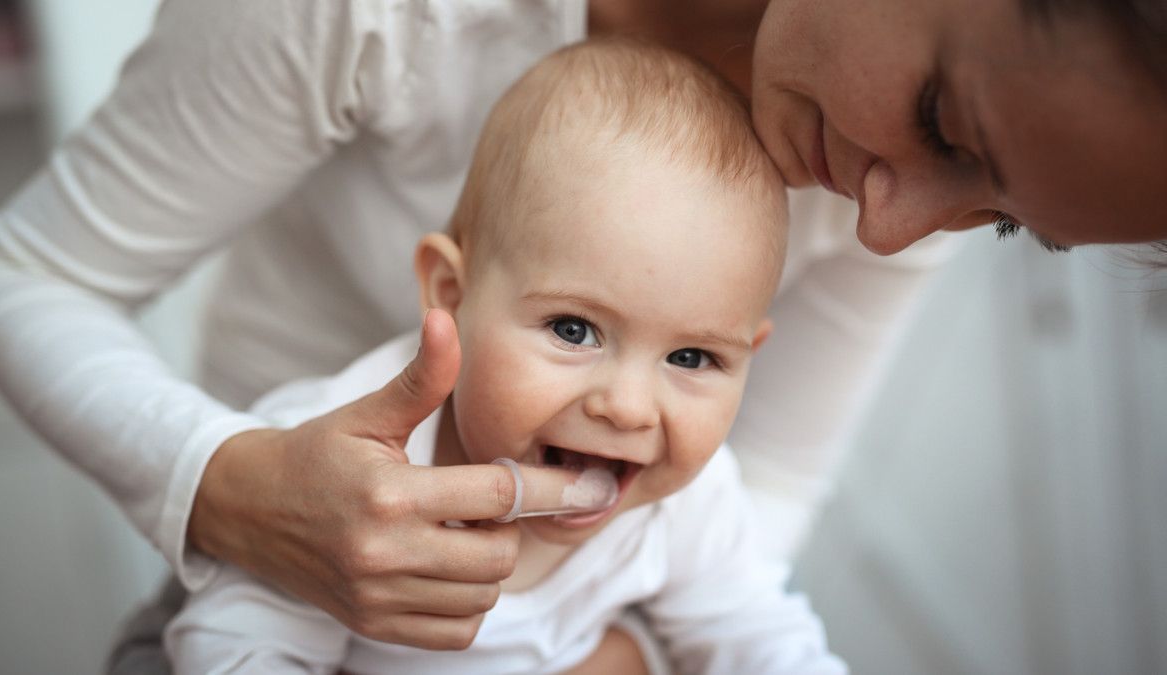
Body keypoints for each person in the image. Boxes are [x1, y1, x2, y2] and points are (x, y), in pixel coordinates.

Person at [0, 0, 1163, 668]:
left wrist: (621, 656)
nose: (895, 232)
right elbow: (27, 275)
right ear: (445, 287)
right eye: (944, 118)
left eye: (1001, 221)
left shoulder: (679, 497)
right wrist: (233, 491)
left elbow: (757, 537)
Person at [164, 39, 845, 674]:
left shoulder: (689, 504)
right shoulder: (335, 463)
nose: (630, 407)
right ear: (451, 294)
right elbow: (233, 647)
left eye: (693, 357)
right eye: (574, 330)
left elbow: (762, 635)